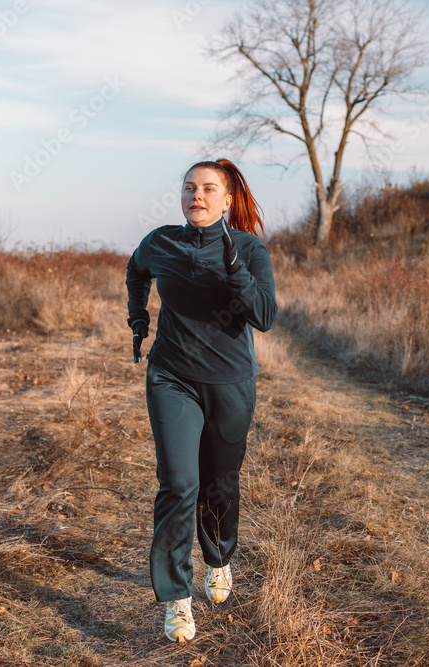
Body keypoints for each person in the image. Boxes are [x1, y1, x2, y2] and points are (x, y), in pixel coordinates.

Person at [125, 158, 276, 642]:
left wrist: (235, 271)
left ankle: (218, 558)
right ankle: (175, 599)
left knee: (219, 483)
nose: (198, 195)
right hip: (171, 377)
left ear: (228, 200)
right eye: (190, 187)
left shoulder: (250, 250)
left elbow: (265, 315)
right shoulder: (161, 241)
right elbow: (136, 272)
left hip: (230, 382)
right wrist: (138, 319)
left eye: (209, 189)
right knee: (178, 483)